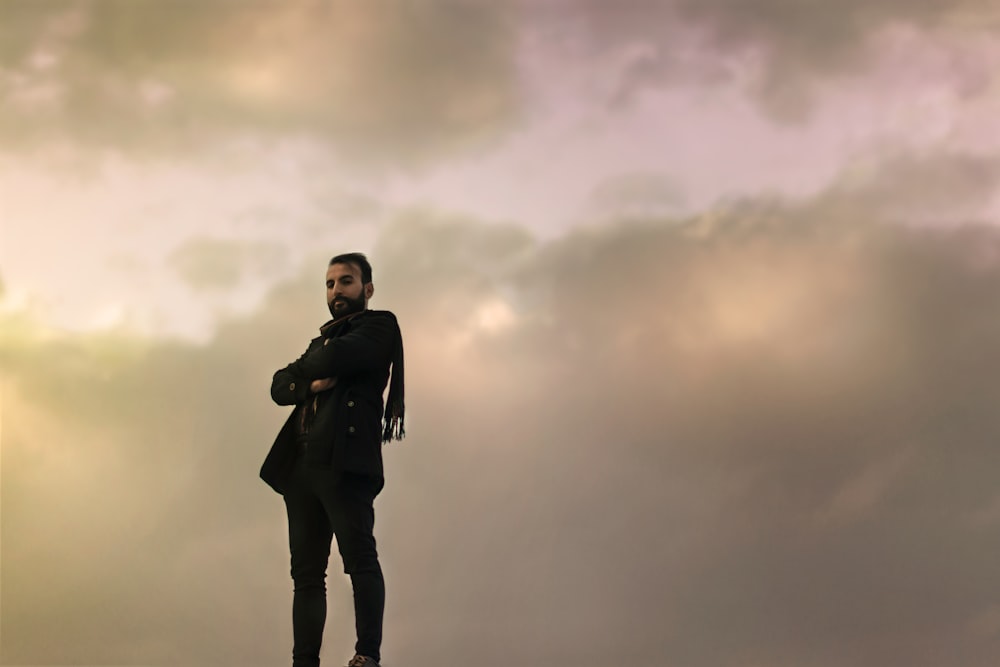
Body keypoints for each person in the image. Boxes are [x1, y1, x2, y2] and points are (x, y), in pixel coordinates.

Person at [260, 252, 404, 667]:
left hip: (343, 462)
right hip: (302, 465)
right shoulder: (323, 338)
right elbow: (277, 385)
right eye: (329, 284)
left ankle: (366, 655)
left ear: (367, 289)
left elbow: (327, 361)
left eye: (345, 281)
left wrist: (305, 372)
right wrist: (308, 385)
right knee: (306, 574)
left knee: (358, 558)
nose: (336, 291)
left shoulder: (379, 326)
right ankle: (304, 661)